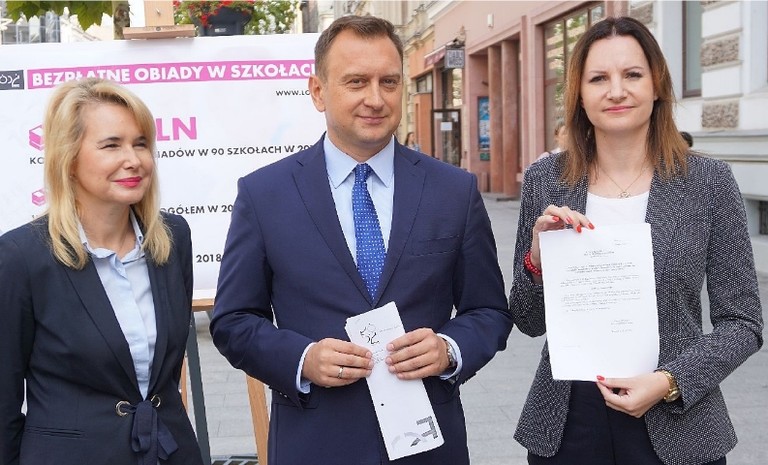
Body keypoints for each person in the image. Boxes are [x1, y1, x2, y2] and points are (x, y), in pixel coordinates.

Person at [210, 15, 513, 465]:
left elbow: (488, 311)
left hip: (428, 446)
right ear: (318, 91)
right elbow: (233, 320)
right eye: (356, 82)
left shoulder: (454, 191)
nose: (375, 98)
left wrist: (449, 349)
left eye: (389, 82)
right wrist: (302, 359)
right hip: (315, 444)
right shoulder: (264, 195)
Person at [509, 16, 763, 465]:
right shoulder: (547, 180)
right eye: (598, 79)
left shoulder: (709, 182)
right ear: (579, 94)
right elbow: (527, 321)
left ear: (657, 84)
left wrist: (670, 382)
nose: (616, 91)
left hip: (677, 420)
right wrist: (536, 260)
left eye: (631, 74)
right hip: (568, 422)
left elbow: (743, 322)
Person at [0, 78, 204, 465]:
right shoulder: (21, 257)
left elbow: (165, 374)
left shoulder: (172, 238)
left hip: (169, 452)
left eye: (140, 143)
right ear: (68, 157)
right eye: (112, 145)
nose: (134, 159)